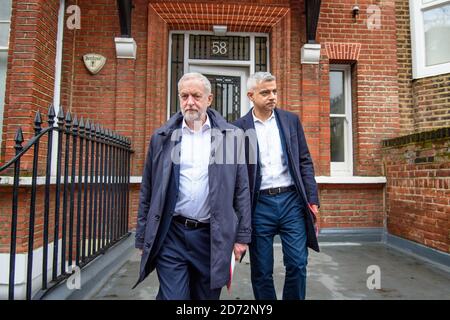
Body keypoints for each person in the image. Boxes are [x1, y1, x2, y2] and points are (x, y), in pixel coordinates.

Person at [133, 72, 251, 300]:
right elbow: (148, 189)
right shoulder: (162, 137)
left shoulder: (231, 137)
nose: (190, 102)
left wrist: (242, 237)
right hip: (172, 235)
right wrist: (141, 236)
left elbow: (242, 190)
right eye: (184, 96)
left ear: (209, 99)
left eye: (196, 96)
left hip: (212, 238)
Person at [233, 72, 320, 300]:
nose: (272, 96)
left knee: (298, 263)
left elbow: (304, 161)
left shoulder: (290, 120)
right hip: (259, 205)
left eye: (274, 91)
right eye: (265, 92)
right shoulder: (238, 129)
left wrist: (312, 201)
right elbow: (234, 175)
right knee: (261, 271)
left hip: (291, 201)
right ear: (251, 95)